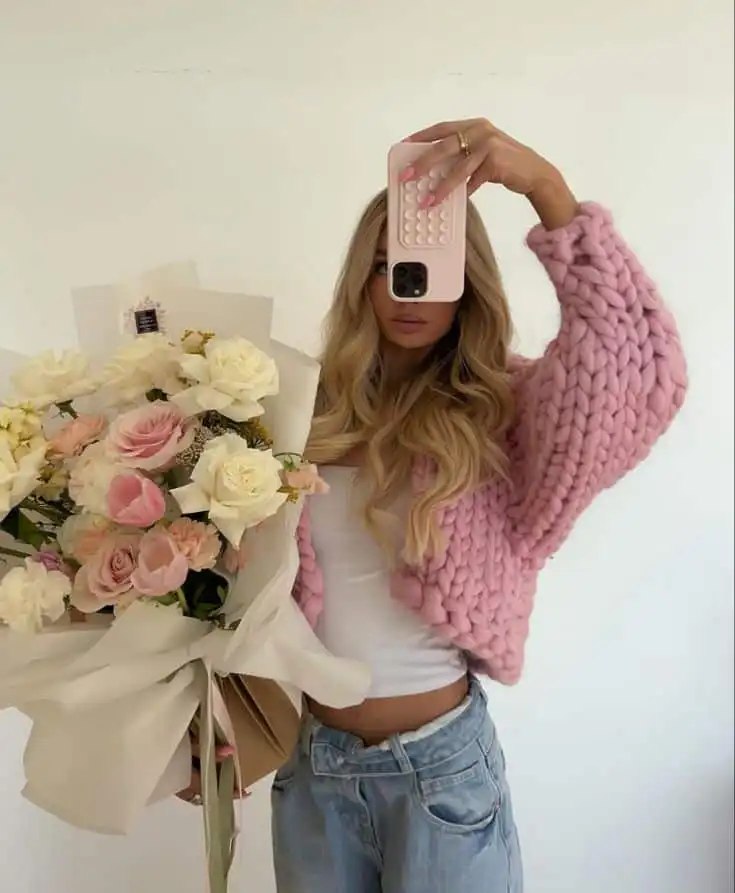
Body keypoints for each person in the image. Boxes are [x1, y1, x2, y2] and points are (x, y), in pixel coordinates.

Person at [182, 116, 688, 892]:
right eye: (385, 266)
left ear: (467, 278)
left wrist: (546, 189)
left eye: (428, 264)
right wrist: (215, 715)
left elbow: (635, 376)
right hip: (311, 768)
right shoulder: (294, 411)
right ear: (360, 280)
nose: (406, 287)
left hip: (441, 775)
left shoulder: (508, 416)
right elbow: (235, 593)